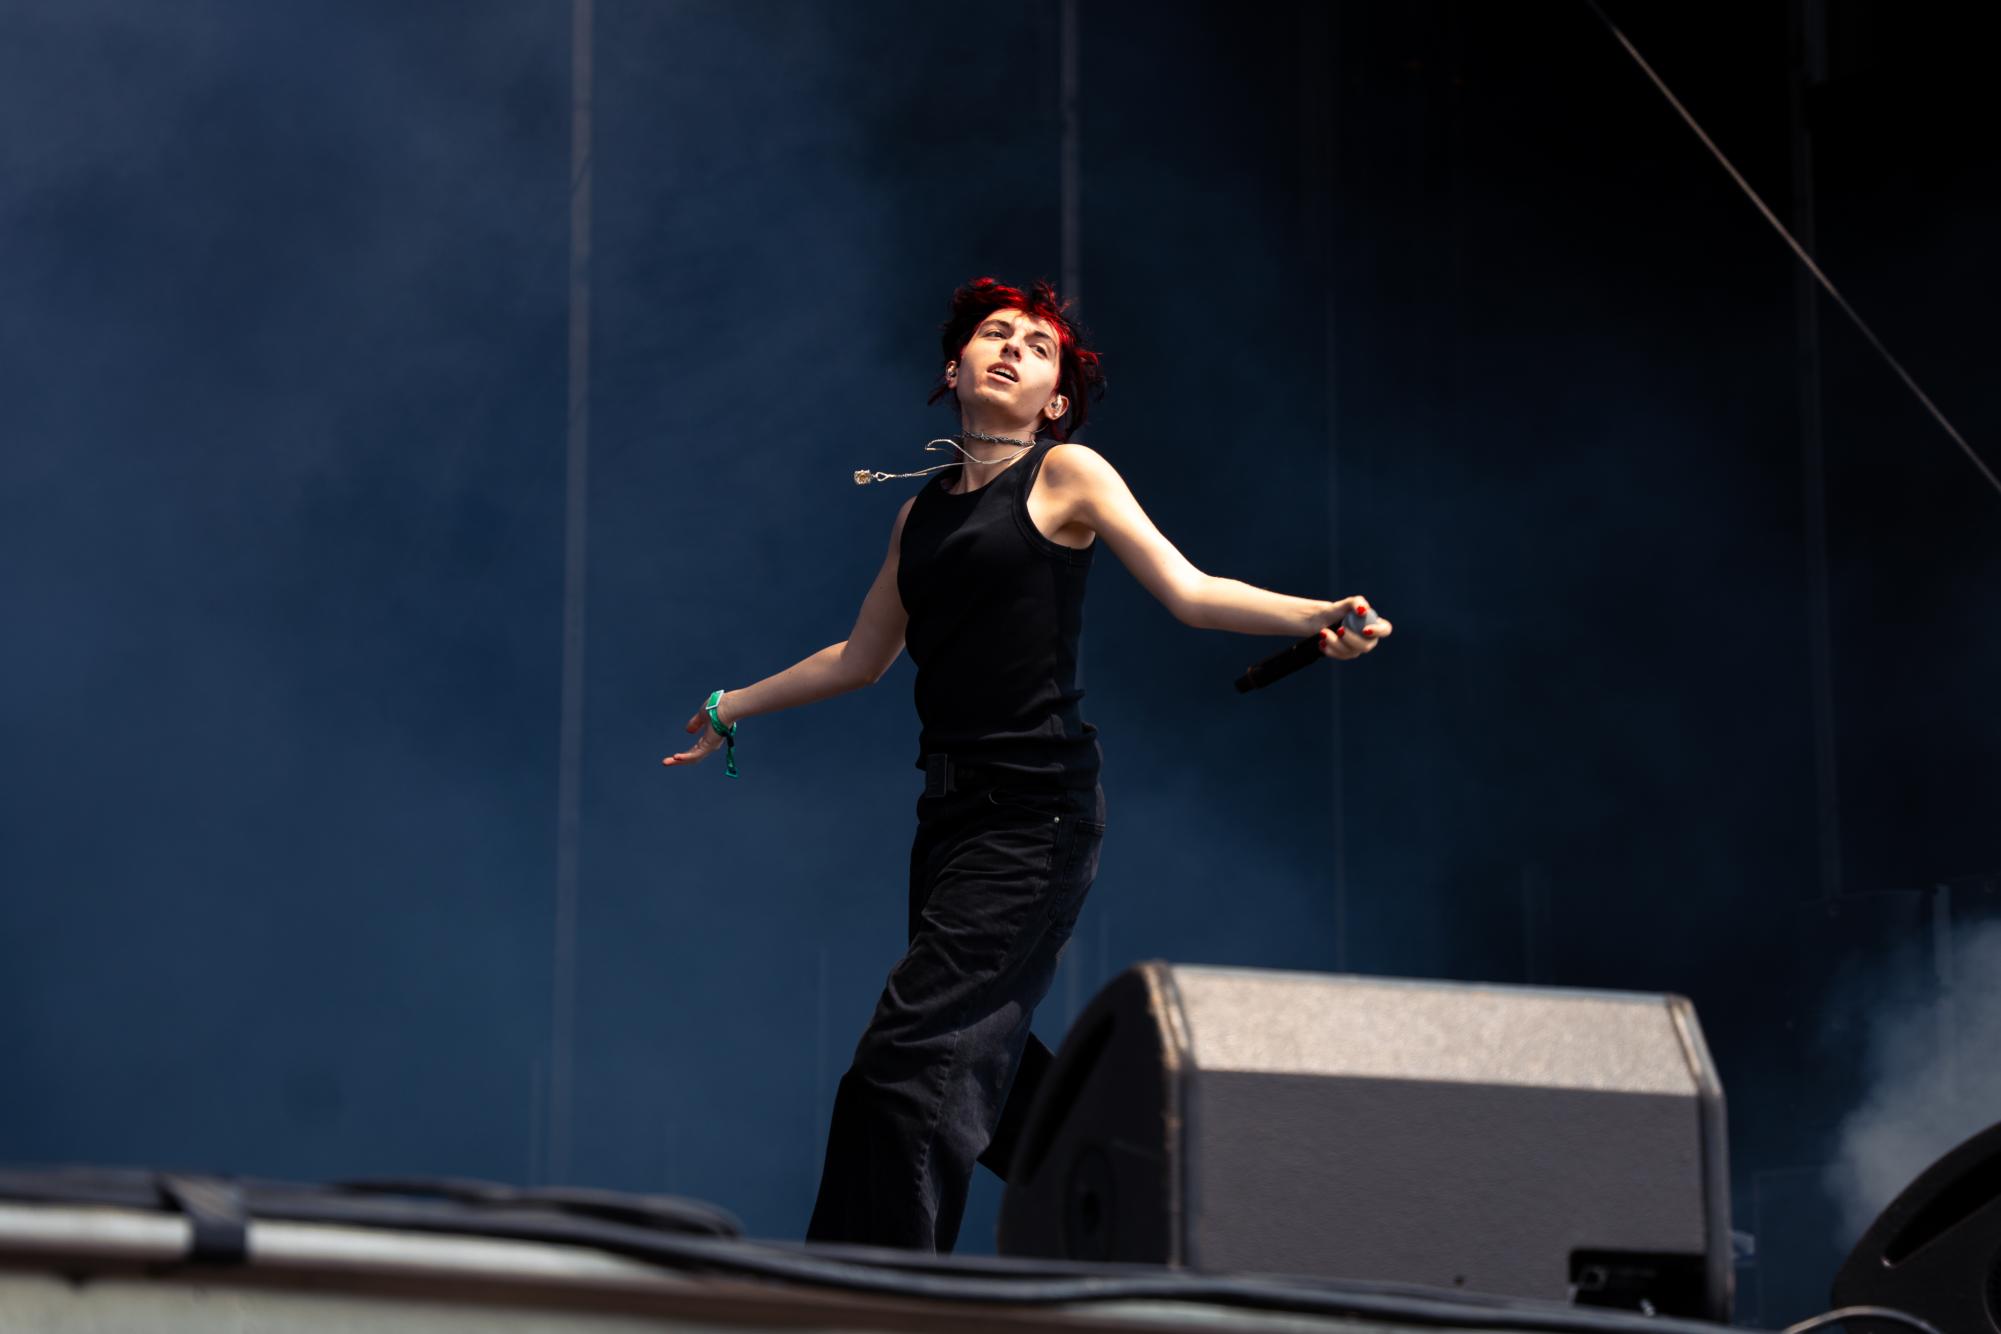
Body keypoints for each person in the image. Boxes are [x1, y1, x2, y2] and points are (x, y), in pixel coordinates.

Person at [662, 275, 1394, 1253]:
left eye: (1037, 347)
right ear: (953, 367)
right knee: (980, 1068)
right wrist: (731, 705)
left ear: (1054, 401)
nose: (1011, 348)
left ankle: (870, 1294)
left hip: (1035, 816)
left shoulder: (1066, 475)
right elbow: (861, 657)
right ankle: (1162, 1183)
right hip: (948, 823)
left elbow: (1188, 589)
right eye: (994, 334)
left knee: (905, 1064)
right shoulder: (918, 515)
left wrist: (1318, 616)